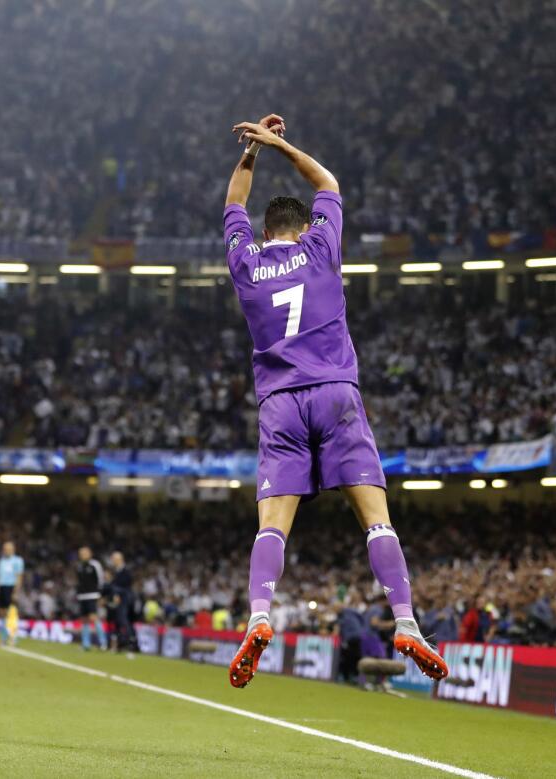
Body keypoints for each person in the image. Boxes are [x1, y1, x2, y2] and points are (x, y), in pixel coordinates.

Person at [222, 114, 447, 688]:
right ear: (302, 229)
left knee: (272, 527)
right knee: (376, 522)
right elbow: (328, 184)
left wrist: (250, 153)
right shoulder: (322, 246)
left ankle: (259, 616)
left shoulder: (245, 263)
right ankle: (405, 622)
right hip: (336, 395)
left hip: (280, 403)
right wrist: (281, 144)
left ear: (264, 231)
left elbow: (232, 205)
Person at [75, 547, 108, 651]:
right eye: (81, 553)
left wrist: (101, 595)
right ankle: (86, 644)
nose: (83, 555)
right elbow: (79, 582)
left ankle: (103, 642)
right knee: (84, 620)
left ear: (90, 553)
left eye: (85, 553)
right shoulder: (79, 566)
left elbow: (101, 580)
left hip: (93, 595)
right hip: (82, 596)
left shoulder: (95, 565)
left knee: (94, 618)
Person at [0, 541, 24, 646]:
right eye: (4, 548)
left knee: (12, 613)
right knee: (2, 613)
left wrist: (16, 591)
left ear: (12, 549)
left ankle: (13, 637)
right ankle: (3, 637)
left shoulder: (18, 561)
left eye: (8, 548)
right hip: (2, 587)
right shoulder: (1, 561)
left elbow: (19, 577)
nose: (6, 550)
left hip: (11, 587)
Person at [104, 551, 134, 652]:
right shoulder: (116, 572)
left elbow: (125, 585)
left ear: (119, 559)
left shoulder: (126, 571)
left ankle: (130, 642)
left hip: (124, 600)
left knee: (123, 620)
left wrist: (117, 594)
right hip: (117, 601)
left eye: (113, 559)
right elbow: (112, 586)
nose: (112, 561)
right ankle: (119, 644)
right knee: (117, 621)